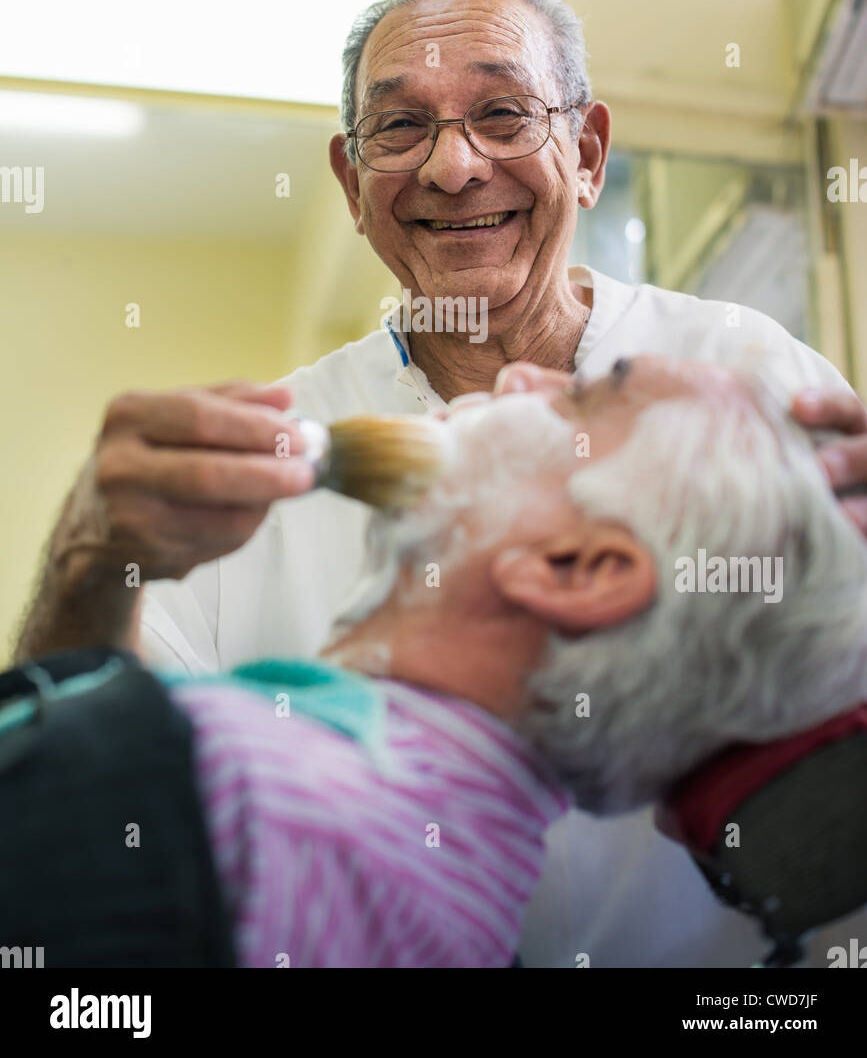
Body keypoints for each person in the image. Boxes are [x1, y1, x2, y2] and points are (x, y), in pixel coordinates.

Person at [18, 0, 867, 968]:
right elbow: (92, 761)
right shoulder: (263, 455)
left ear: (587, 151)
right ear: (349, 179)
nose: (455, 166)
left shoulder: (752, 373)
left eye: (503, 114)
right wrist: (91, 555)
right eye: (401, 128)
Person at [9, 357, 867, 967]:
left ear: (573, 570)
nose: (519, 376)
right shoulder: (466, 908)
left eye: (580, 400)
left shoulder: (223, 797)